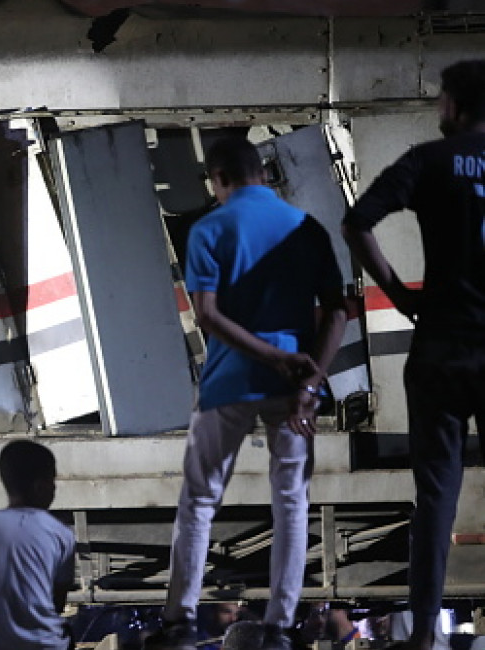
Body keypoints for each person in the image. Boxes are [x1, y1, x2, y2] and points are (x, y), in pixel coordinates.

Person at [145, 136, 348, 650]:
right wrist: (309, 377)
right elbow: (339, 311)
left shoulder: (209, 228)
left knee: (199, 502)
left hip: (228, 384)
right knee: (291, 505)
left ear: (218, 180)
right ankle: (279, 628)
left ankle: (179, 622)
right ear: (262, 173)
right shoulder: (307, 228)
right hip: (293, 388)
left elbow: (208, 316)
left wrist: (268, 357)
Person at [342, 58, 485, 650]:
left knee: (435, 498)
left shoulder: (427, 160)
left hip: (440, 350)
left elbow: (357, 223)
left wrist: (401, 294)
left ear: (453, 105)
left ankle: (424, 632)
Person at [0, 440, 76, 650]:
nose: (54, 488)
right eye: (52, 481)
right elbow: (56, 602)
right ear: (40, 486)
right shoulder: (59, 533)